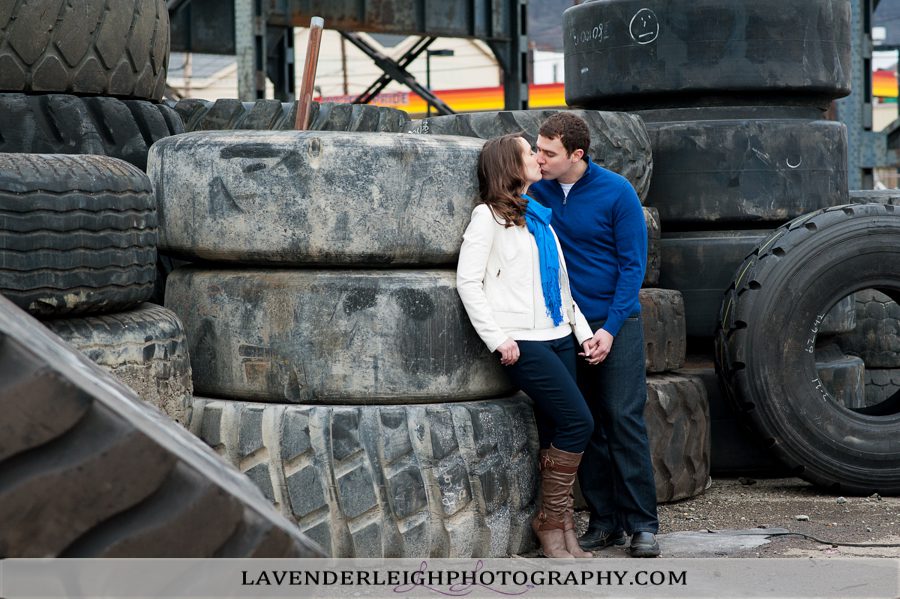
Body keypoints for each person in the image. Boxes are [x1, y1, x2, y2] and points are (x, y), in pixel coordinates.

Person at [456, 133, 597, 558]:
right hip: (524, 343)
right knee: (580, 422)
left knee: (557, 430)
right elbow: (468, 281)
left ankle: (564, 527)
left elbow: (559, 285)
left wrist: (583, 332)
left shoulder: (538, 215)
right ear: (510, 166)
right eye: (528, 153)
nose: (538, 158)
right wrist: (497, 338)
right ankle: (549, 522)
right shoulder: (488, 218)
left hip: (558, 335)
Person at [529, 112, 660, 558]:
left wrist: (609, 329)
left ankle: (642, 525)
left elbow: (632, 267)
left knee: (623, 420)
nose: (539, 158)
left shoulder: (617, 192)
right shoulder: (536, 190)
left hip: (614, 324)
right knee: (585, 426)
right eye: (538, 149)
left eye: (548, 153)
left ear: (576, 155)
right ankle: (605, 523)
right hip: (565, 327)